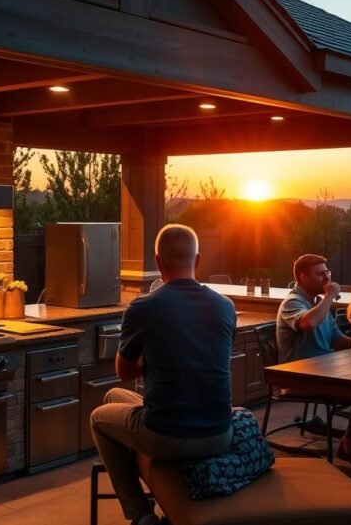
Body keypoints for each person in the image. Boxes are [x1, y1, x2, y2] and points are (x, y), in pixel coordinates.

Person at [90, 224, 235, 525]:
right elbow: (208, 358)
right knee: (113, 397)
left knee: (98, 419)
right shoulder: (225, 306)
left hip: (169, 436)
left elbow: (123, 371)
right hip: (220, 433)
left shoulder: (143, 307)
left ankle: (141, 514)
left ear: (158, 262)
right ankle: (160, 485)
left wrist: (153, 359)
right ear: (197, 260)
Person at [276, 253, 351, 473]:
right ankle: (350, 446)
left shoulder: (319, 303)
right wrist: (330, 297)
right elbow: (307, 324)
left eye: (327, 272)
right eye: (320, 274)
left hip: (324, 372)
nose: (327, 277)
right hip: (299, 377)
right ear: (303, 277)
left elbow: (337, 340)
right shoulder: (292, 302)